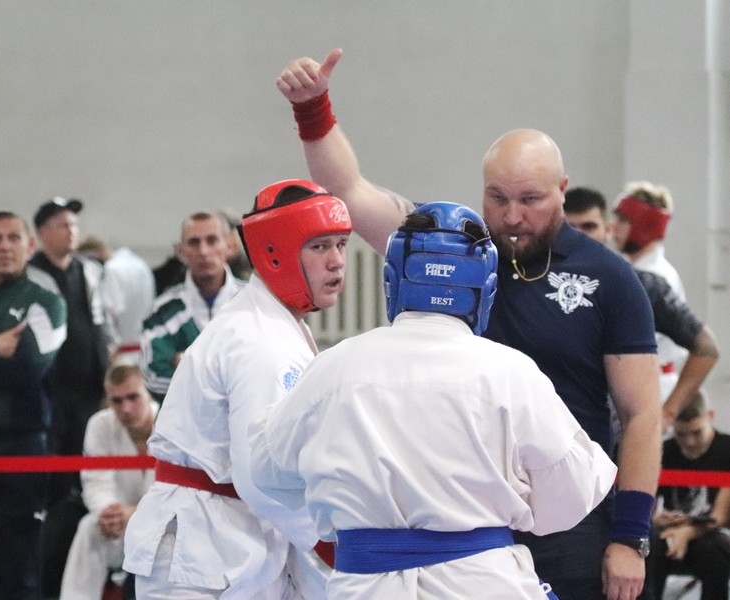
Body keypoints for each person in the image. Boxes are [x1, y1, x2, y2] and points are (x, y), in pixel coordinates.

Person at [276, 48, 662, 600]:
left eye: (530, 199)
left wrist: (631, 535)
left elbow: (642, 413)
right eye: (497, 198)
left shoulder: (610, 278)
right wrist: (313, 110)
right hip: (462, 518)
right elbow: (352, 193)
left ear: (562, 189)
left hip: (571, 515)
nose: (511, 215)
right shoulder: (453, 249)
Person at [249, 202, 617, 599]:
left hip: (363, 586)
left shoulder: (334, 368)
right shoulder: (510, 372)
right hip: (481, 584)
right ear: (485, 287)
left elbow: (266, 470)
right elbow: (573, 495)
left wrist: (345, 503)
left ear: (393, 279)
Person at [123, 179, 352, 598]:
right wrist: (335, 545)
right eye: (320, 247)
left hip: (234, 535)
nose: (337, 262)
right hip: (202, 547)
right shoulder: (258, 339)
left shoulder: (276, 323)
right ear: (275, 252)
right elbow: (262, 477)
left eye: (341, 245)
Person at [564, 187, 719, 432]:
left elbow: (706, 347)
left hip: (643, 389)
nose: (616, 228)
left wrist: (666, 414)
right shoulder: (622, 270)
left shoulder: (647, 278)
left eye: (623, 220)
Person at [29, 196, 115, 596]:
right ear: (43, 232)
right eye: (63, 225)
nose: (72, 232)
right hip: (48, 398)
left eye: (75, 225)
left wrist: (108, 381)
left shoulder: (90, 271)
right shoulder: (32, 276)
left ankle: (81, 565)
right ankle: (45, 571)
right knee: (50, 485)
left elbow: (102, 326)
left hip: (87, 395)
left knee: (85, 479)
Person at [0, 211, 67, 600]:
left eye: (12, 238)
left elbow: (29, 366)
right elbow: (7, 362)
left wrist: (12, 355)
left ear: (30, 245)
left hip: (21, 445)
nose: (4, 246)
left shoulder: (46, 301)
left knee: (18, 562)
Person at [59, 364, 157, 600]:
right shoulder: (100, 425)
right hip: (117, 523)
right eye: (117, 401)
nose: (126, 408)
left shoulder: (172, 424)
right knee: (89, 528)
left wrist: (135, 513)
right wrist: (108, 512)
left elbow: (177, 491)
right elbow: (95, 481)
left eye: (133, 397)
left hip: (161, 522)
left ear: (148, 393)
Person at [140, 211, 245, 403]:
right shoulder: (161, 312)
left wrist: (186, 363)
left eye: (212, 240)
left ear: (230, 246)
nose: (203, 251)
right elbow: (154, 379)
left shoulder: (254, 302)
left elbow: (266, 367)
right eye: (194, 242)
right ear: (180, 251)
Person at [640, 390, 730, 600]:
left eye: (696, 432)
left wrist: (687, 532)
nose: (689, 441)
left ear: (711, 416)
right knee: (648, 543)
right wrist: (658, 519)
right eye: (681, 434)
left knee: (715, 549)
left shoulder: (726, 450)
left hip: (709, 535)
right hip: (668, 534)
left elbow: (719, 516)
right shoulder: (664, 451)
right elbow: (649, 506)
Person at [613, 182, 690, 404]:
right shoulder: (630, 269)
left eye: (623, 220)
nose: (614, 227)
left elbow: (630, 339)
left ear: (644, 223)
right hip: (643, 381)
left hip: (653, 385)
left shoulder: (655, 276)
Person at [78, 236, 156, 364]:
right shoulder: (139, 264)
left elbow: (111, 311)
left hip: (123, 352)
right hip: (146, 349)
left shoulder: (111, 269)